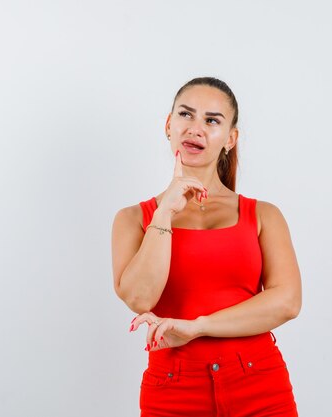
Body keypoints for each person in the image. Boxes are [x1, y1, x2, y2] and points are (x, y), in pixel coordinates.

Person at [111, 77, 302, 417]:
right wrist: (165, 212)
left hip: (259, 383)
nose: (195, 128)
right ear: (169, 125)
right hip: (172, 389)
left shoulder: (263, 215)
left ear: (230, 138)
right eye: (186, 115)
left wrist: (198, 326)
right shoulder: (133, 219)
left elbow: (286, 302)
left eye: (212, 120)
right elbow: (140, 298)